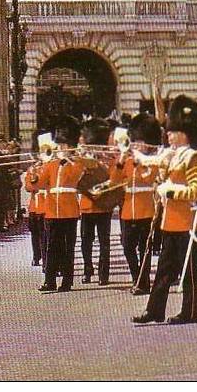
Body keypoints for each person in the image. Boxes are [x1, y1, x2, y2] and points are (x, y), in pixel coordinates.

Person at [133, 94, 197, 325]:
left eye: (173, 131)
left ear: (184, 133)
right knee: (164, 269)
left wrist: (172, 191)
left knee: (190, 272)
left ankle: (191, 310)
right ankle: (155, 310)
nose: (169, 134)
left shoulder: (192, 157)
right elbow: (156, 170)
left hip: (189, 221)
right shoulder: (173, 156)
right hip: (172, 221)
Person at [25, 118, 93, 292]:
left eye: (64, 146)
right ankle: (49, 280)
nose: (61, 149)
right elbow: (37, 184)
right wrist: (34, 177)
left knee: (68, 248)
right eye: (60, 145)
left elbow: (80, 177)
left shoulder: (77, 164)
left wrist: (74, 158)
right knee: (51, 247)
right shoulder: (51, 165)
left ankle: (67, 281)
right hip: (51, 212)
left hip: (69, 211)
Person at [110, 113, 162, 294]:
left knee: (145, 249)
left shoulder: (152, 161)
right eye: (136, 141)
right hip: (128, 210)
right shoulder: (127, 160)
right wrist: (121, 161)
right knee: (127, 246)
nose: (138, 145)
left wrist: (141, 161)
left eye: (141, 141)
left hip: (146, 209)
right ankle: (137, 277)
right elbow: (115, 181)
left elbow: (149, 178)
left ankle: (143, 282)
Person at [78, 119, 115, 285]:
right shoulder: (81, 160)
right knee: (86, 242)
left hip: (103, 207)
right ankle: (87, 269)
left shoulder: (108, 159)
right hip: (86, 206)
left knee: (104, 242)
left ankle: (103, 274)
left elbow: (114, 179)